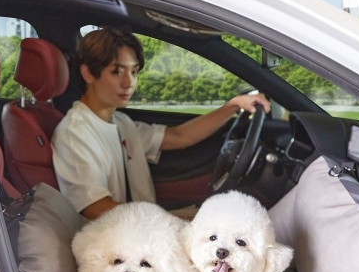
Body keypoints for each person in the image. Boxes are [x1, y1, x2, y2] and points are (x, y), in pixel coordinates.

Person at [51, 27, 270, 220]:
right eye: (117, 71)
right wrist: (171, 224)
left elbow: (179, 136)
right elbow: (97, 208)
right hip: (118, 243)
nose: (129, 83)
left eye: (134, 71)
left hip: (143, 229)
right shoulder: (75, 133)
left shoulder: (120, 122)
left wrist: (233, 105)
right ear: (88, 73)